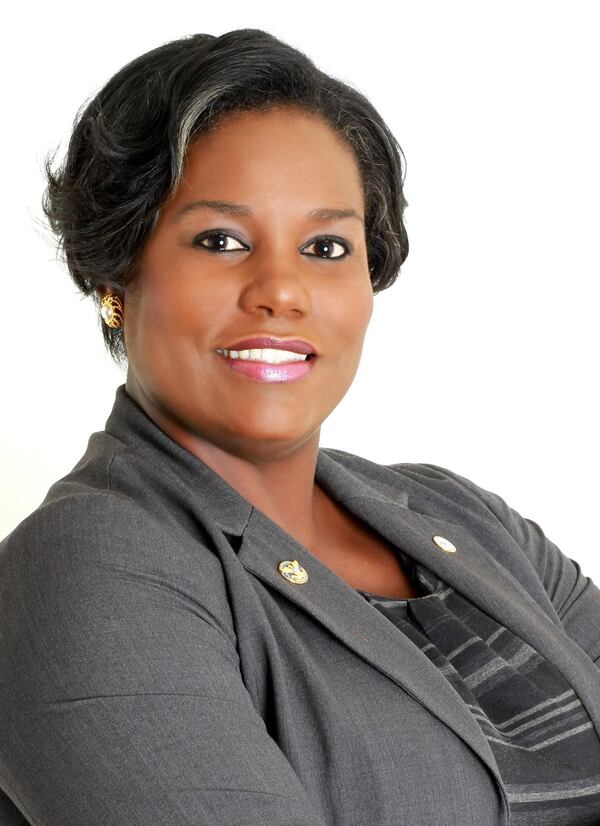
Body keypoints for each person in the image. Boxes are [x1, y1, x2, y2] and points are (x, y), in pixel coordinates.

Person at [0, 28, 599, 826]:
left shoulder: (465, 518)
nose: (281, 290)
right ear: (116, 276)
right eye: (221, 240)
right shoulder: (82, 571)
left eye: (325, 246)